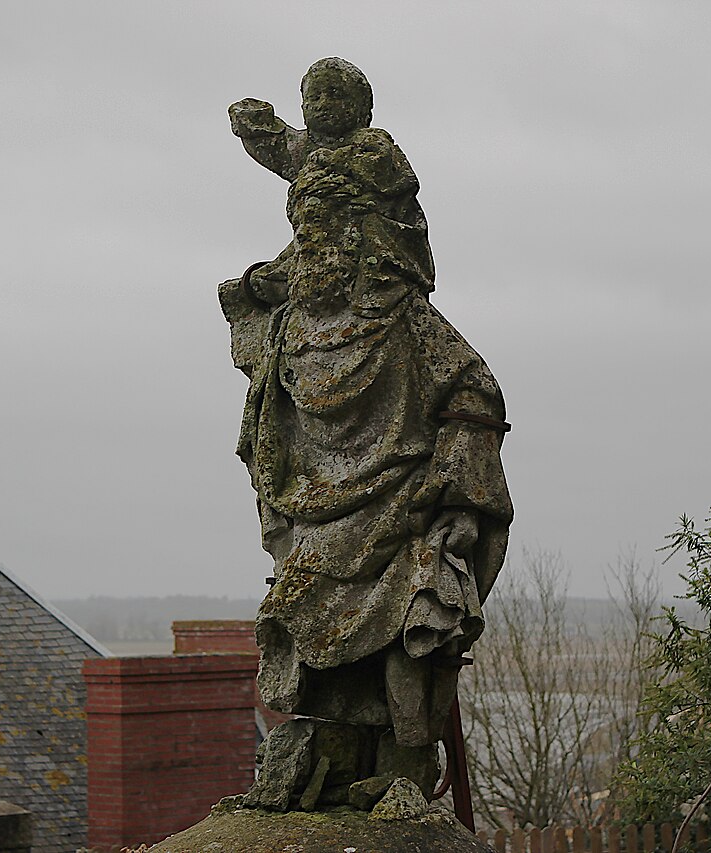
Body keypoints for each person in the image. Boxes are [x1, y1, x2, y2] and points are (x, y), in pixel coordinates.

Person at [221, 58, 512, 800]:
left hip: (402, 515)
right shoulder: (290, 332)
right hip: (320, 529)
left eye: (329, 229)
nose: (314, 245)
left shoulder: (404, 322)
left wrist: (450, 492)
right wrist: (252, 286)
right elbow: (264, 409)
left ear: (366, 235)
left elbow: (476, 389)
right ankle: (323, 748)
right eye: (303, 231)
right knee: (298, 609)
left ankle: (407, 764)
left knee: (421, 604)